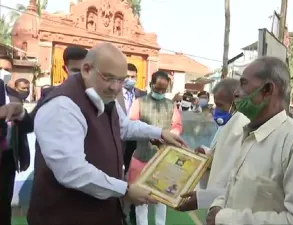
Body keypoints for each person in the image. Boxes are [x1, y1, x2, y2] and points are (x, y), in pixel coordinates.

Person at [0, 42, 188, 225]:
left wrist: (161, 133)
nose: (115, 87)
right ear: (87, 69)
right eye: (108, 77)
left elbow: (124, 127)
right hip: (65, 216)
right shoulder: (63, 106)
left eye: (120, 80)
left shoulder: (104, 97)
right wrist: (125, 190)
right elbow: (72, 171)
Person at [206, 57, 293, 225]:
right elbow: (234, 189)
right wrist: (216, 206)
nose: (236, 92)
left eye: (244, 84)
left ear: (267, 90)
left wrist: (226, 218)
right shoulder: (250, 133)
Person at [176, 78, 250, 212]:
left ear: (235, 103)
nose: (216, 110)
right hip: (216, 200)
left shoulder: (240, 127)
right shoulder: (229, 124)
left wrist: (203, 198)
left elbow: (232, 173)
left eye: (220, 105)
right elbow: (222, 155)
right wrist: (207, 153)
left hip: (227, 206)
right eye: (216, 105)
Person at [128, 71, 183, 225]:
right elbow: (132, 123)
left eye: (163, 90)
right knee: (141, 200)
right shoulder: (139, 102)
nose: (160, 92)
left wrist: (172, 133)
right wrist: (149, 133)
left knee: (161, 199)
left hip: (163, 159)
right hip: (141, 157)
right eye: (157, 88)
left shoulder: (171, 105)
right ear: (151, 84)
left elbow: (177, 125)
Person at [116, 63, 147, 225]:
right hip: (117, 143)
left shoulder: (143, 96)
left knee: (135, 179)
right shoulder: (112, 93)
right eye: (126, 76)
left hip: (136, 144)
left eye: (133, 77)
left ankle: (135, 212)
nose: (130, 80)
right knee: (117, 176)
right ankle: (120, 213)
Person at [0, 78, 32, 225]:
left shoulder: (13, 98)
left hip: (7, 160)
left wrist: (21, 113)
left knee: (4, 207)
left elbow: (28, 126)